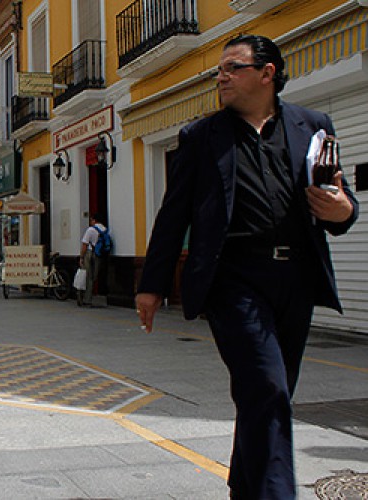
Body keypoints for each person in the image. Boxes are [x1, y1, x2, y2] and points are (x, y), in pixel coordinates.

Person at [135, 35, 357, 499]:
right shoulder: (201, 137)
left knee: (266, 398)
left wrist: (343, 211)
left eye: (233, 68)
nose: (222, 76)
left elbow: (339, 197)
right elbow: (173, 213)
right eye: (220, 70)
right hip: (233, 282)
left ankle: (245, 486)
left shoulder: (313, 126)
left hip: (296, 279)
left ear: (267, 73)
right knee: (268, 390)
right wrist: (151, 284)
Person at [77, 213, 108, 307]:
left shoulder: (91, 229)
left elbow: (84, 244)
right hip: (98, 255)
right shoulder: (105, 230)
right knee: (94, 277)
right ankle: (89, 297)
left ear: (94, 220)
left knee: (87, 276)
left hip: (89, 253)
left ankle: (85, 299)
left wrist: (81, 257)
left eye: (91, 220)